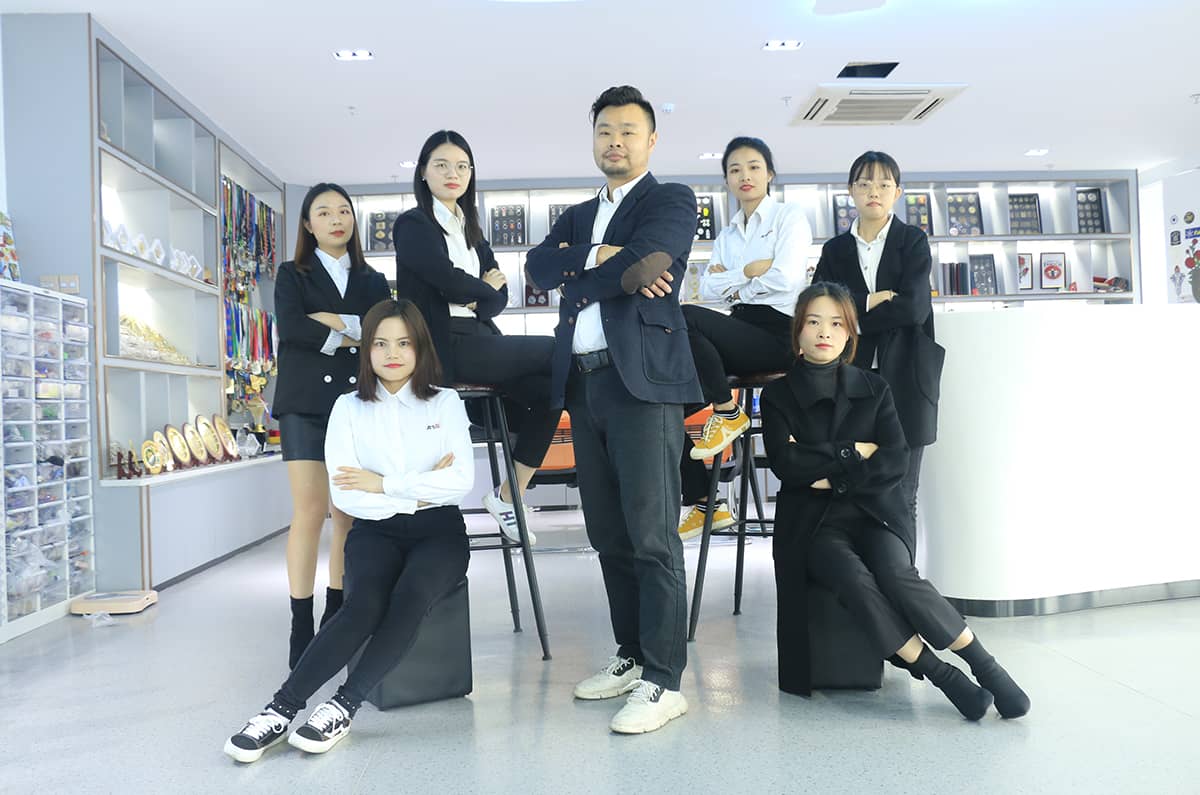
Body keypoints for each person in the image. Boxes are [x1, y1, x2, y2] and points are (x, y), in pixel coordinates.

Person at [760, 282, 1029, 720]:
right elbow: (786, 465)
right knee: (853, 578)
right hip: (812, 523)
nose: (824, 332)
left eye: (836, 323)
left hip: (876, 513)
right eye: (814, 322)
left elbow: (895, 460)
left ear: (850, 333)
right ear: (798, 331)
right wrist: (854, 451)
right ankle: (943, 676)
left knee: (897, 574)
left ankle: (986, 666)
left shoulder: (875, 386)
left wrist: (826, 471)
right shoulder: (777, 395)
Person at [224, 299, 474, 763]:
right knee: (362, 605)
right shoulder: (348, 407)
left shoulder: (446, 402)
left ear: (420, 347)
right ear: (366, 350)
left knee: (413, 593)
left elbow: (460, 483)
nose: (392, 353)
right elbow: (347, 495)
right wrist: (421, 486)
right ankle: (280, 710)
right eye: (380, 343)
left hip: (439, 533)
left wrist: (382, 483)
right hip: (374, 532)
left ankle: (342, 706)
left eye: (404, 343)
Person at [526, 85, 701, 734]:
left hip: (643, 385)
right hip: (585, 385)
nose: (615, 141)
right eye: (605, 130)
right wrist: (600, 258)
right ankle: (631, 655)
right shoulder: (577, 215)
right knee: (607, 534)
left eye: (629, 130)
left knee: (653, 536)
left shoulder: (670, 200)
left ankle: (665, 680)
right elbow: (538, 268)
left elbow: (647, 267)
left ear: (651, 140)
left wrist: (590, 270)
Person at [393, 130, 559, 545]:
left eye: (462, 166)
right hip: (444, 345)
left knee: (551, 391)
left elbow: (500, 296)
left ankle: (509, 497)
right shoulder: (413, 224)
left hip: (479, 335)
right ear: (423, 172)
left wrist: (476, 295)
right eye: (442, 165)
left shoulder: (472, 231)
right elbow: (446, 279)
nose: (453, 173)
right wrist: (479, 289)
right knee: (559, 351)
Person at [273, 183, 392, 669]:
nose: (336, 219)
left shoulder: (373, 279)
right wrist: (353, 329)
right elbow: (292, 327)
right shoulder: (291, 273)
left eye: (344, 211)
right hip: (303, 403)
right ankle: (300, 624)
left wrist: (329, 322)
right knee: (309, 510)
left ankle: (336, 616)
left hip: (357, 404)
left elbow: (384, 333)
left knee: (347, 514)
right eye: (324, 212)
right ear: (308, 224)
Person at [677, 136, 813, 539]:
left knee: (685, 317)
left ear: (769, 174)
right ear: (727, 181)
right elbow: (708, 289)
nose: (745, 176)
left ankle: (727, 411)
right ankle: (706, 503)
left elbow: (786, 278)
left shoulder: (789, 218)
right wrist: (751, 271)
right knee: (660, 405)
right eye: (735, 170)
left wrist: (735, 283)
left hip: (777, 335)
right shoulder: (728, 234)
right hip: (738, 330)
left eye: (754, 167)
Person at [812, 151, 945, 528]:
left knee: (903, 493)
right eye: (865, 183)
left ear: (897, 192)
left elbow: (913, 308)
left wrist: (852, 318)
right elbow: (820, 304)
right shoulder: (835, 250)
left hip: (907, 378)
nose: (874, 191)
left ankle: (900, 568)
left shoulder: (912, 240)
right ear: (850, 190)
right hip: (850, 382)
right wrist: (872, 300)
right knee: (852, 488)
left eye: (884, 184)